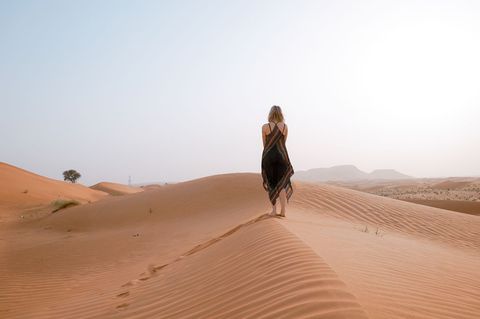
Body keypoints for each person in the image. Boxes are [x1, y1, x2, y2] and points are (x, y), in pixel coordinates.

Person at [261, 105, 294, 217]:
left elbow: (265, 145)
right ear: (281, 114)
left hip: (269, 157)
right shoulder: (285, 127)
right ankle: (283, 211)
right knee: (282, 185)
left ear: (270, 114)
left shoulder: (265, 127)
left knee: (272, 184)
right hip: (282, 157)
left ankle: (274, 210)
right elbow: (283, 142)